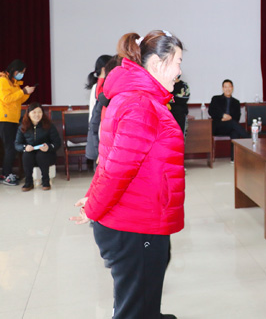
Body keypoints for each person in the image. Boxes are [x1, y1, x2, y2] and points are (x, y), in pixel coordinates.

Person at [70, 30, 185, 319]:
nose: (180, 71)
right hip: (135, 226)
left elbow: (111, 157)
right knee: (134, 308)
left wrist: (92, 198)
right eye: (178, 62)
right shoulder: (141, 105)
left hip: (139, 218)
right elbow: (117, 170)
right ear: (157, 63)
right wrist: (93, 208)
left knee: (142, 298)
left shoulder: (137, 98)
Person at [0, 59, 34, 186]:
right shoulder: (3, 81)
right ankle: (6, 174)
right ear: (15, 70)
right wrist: (22, 91)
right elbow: (6, 99)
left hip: (13, 119)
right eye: (21, 72)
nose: (22, 75)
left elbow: (18, 99)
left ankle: (7, 173)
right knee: (10, 148)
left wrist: (26, 93)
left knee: (12, 147)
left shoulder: (13, 83)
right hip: (4, 119)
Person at [15, 102, 61, 191]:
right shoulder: (22, 127)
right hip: (31, 155)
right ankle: (28, 182)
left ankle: (46, 181)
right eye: (34, 112)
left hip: (46, 154)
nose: (37, 115)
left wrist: (49, 147)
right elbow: (17, 144)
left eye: (39, 112)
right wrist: (25, 147)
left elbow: (57, 142)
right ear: (29, 114)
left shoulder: (49, 125)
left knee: (41, 154)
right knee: (27, 155)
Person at [86, 55, 113, 165]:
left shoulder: (107, 85)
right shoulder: (97, 88)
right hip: (99, 131)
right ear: (104, 69)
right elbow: (93, 115)